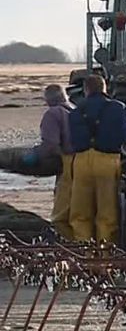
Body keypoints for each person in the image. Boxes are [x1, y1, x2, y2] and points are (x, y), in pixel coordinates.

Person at [68, 74, 126, 245]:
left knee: (80, 214)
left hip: (80, 162)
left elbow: (69, 141)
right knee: (107, 214)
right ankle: (105, 255)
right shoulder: (119, 108)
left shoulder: (75, 111)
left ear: (86, 90)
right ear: (105, 88)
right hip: (108, 161)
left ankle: (83, 253)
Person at [22, 85, 75, 240]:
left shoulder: (53, 114)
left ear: (49, 100)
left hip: (67, 164)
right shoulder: (75, 110)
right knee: (80, 211)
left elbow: (51, 145)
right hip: (86, 162)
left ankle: (68, 247)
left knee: (61, 215)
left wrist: (35, 155)